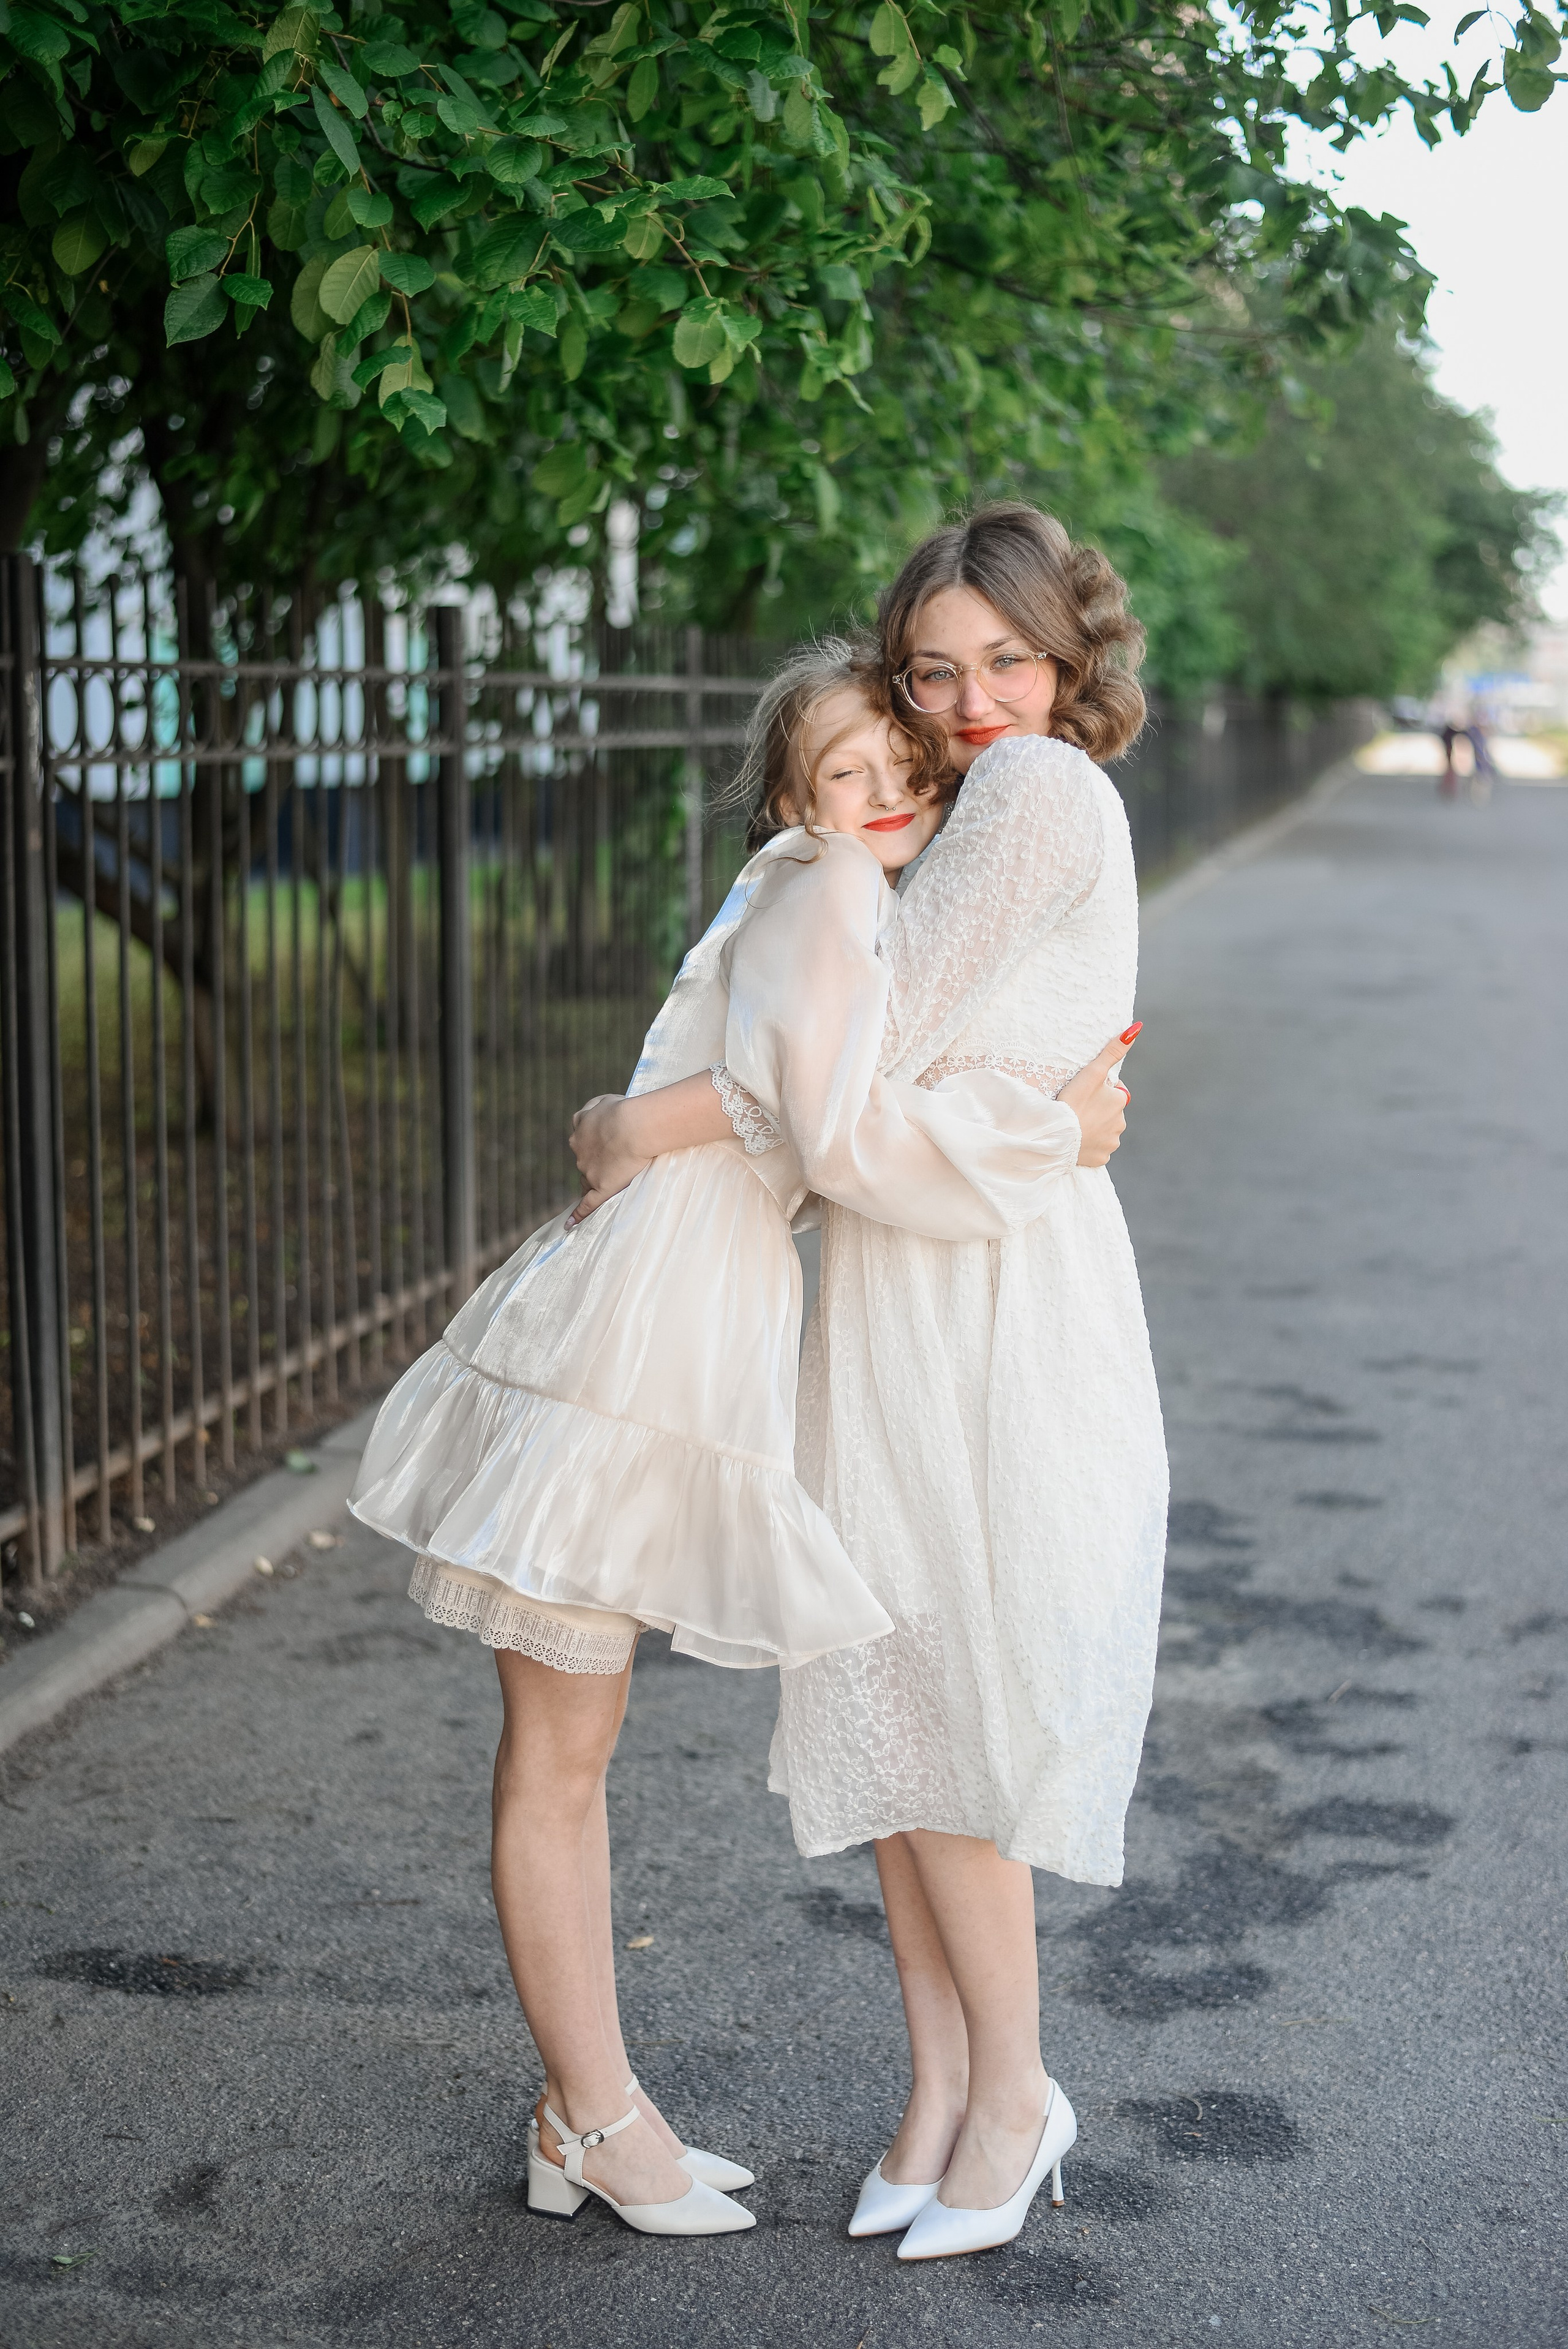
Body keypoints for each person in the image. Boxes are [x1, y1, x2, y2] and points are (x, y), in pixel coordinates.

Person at [350, 641, 1133, 2238]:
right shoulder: (832, 889)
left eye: (902, 775)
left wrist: (646, 1115)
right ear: (791, 793)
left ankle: (596, 2105)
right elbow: (821, 1104)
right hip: (640, 1334)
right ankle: (593, 2115)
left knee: (571, 1743)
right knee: (561, 1749)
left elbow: (789, 1080)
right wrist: (1057, 1126)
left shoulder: (809, 882)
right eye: (848, 772)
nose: (886, 797)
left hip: (668, 1314)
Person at [573, 504, 1166, 2260]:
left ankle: (1017, 2094)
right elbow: (852, 1076)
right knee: (900, 1702)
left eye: (1008, 661)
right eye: (937, 670)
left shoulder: (1043, 791)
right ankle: (934, 2087)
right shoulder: (965, 815)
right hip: (911, 1274)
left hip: (998, 1291)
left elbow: (842, 1063)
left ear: (1069, 665)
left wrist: (633, 1119)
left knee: (959, 1712)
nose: (975, 699)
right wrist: (1024, 1111)